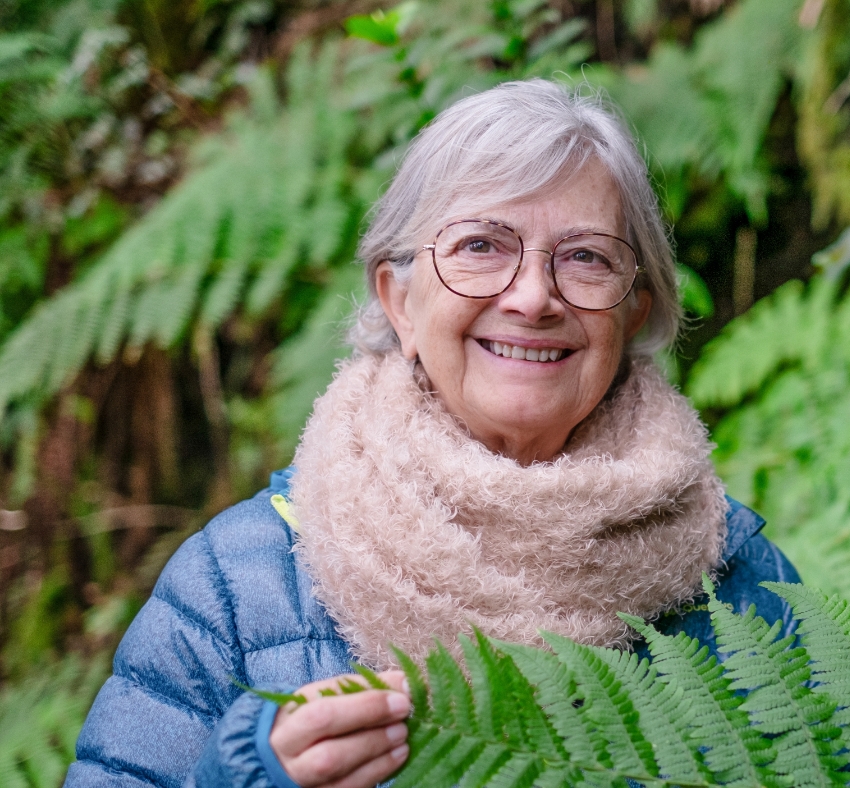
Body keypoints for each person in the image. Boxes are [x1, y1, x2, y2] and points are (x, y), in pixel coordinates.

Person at [65, 79, 800, 788]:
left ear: (632, 313)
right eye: (482, 245)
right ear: (401, 303)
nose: (533, 298)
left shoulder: (736, 574)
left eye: (585, 257)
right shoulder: (234, 587)